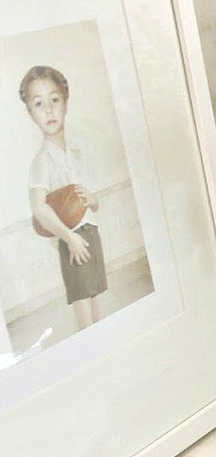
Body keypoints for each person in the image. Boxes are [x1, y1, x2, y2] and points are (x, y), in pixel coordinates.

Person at [19, 65, 107, 330]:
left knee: (99, 294)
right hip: (72, 241)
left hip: (92, 234)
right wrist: (69, 238)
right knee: (83, 303)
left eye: (54, 100)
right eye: (38, 103)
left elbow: (93, 202)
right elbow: (39, 208)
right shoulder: (41, 162)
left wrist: (92, 200)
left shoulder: (77, 151)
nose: (48, 109)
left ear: (66, 103)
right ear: (31, 113)